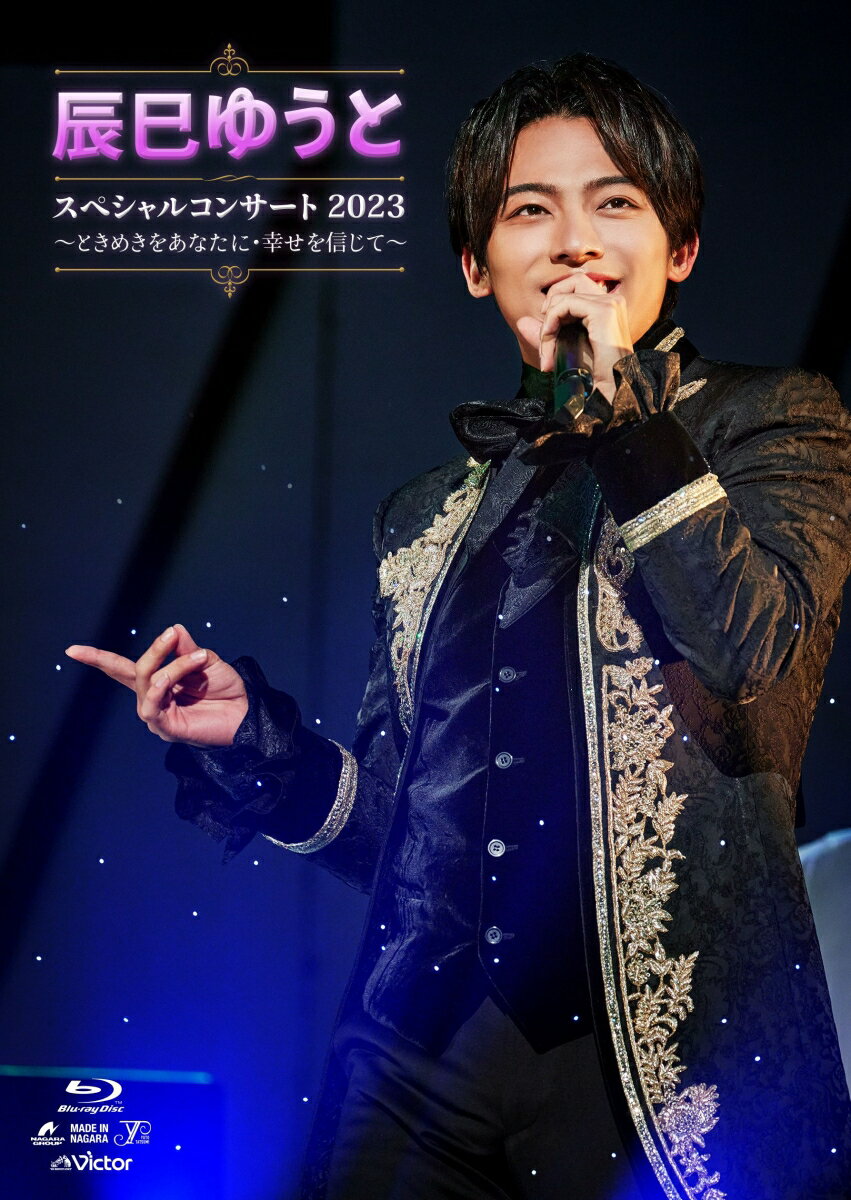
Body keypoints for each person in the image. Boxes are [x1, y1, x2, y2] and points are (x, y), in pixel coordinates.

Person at [66, 52, 851, 1200]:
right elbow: (403, 833)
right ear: (477, 266)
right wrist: (260, 747)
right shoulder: (424, 514)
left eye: (614, 203)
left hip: (665, 1061)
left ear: (678, 248)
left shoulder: (772, 420)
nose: (572, 241)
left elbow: (748, 654)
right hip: (418, 1051)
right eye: (528, 211)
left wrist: (626, 423)